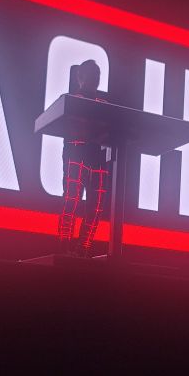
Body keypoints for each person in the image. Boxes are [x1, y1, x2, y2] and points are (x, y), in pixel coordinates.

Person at [57, 60, 109, 257]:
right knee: (72, 200)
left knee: (96, 207)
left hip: (98, 159)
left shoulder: (104, 106)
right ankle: (64, 246)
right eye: (91, 74)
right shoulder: (70, 100)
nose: (95, 79)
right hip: (76, 154)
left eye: (97, 75)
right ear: (80, 77)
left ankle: (84, 247)